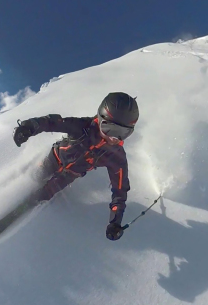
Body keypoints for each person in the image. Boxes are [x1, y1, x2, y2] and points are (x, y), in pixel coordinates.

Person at [12, 92, 138, 241]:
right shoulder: (83, 127)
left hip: (70, 174)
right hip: (54, 159)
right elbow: (53, 122)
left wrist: (115, 222)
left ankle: (28, 206)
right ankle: (14, 187)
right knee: (35, 177)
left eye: (123, 133)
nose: (114, 138)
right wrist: (28, 128)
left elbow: (120, 192)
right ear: (99, 119)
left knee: (45, 194)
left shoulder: (116, 157)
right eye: (109, 129)